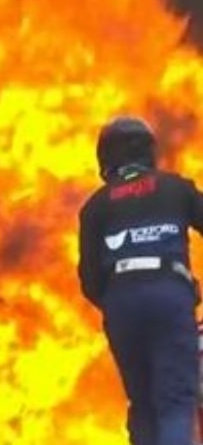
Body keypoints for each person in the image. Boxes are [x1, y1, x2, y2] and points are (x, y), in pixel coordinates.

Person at [77, 116, 202, 445]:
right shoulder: (176, 187)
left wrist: (124, 297)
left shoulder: (95, 207)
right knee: (174, 401)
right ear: (149, 151)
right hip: (169, 294)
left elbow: (89, 281)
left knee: (142, 404)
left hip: (121, 302)